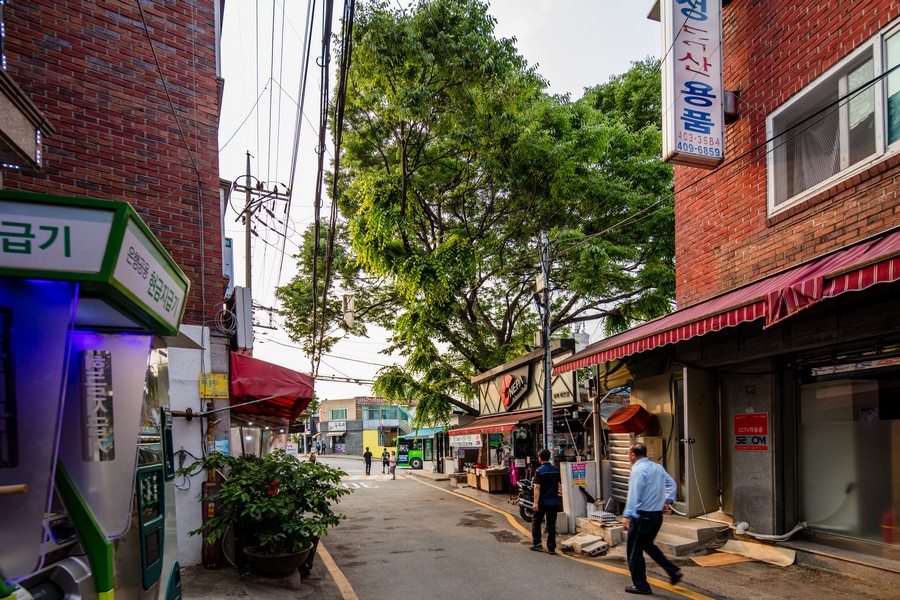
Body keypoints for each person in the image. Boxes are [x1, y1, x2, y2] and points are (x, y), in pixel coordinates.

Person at [622, 442, 683, 595]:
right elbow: (672, 484)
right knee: (648, 545)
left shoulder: (637, 469)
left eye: (628, 453)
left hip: (642, 516)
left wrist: (627, 515)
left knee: (634, 552)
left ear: (633, 455)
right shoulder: (657, 467)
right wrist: (667, 501)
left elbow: (634, 494)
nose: (628, 456)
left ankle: (641, 585)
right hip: (656, 516)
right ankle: (673, 571)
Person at [529, 448, 561, 555]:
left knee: (536, 522)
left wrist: (535, 503)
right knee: (551, 525)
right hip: (553, 502)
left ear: (540, 458)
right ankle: (551, 548)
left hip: (542, 502)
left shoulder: (539, 471)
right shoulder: (556, 470)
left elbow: (537, 487)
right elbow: (558, 485)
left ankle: (537, 544)